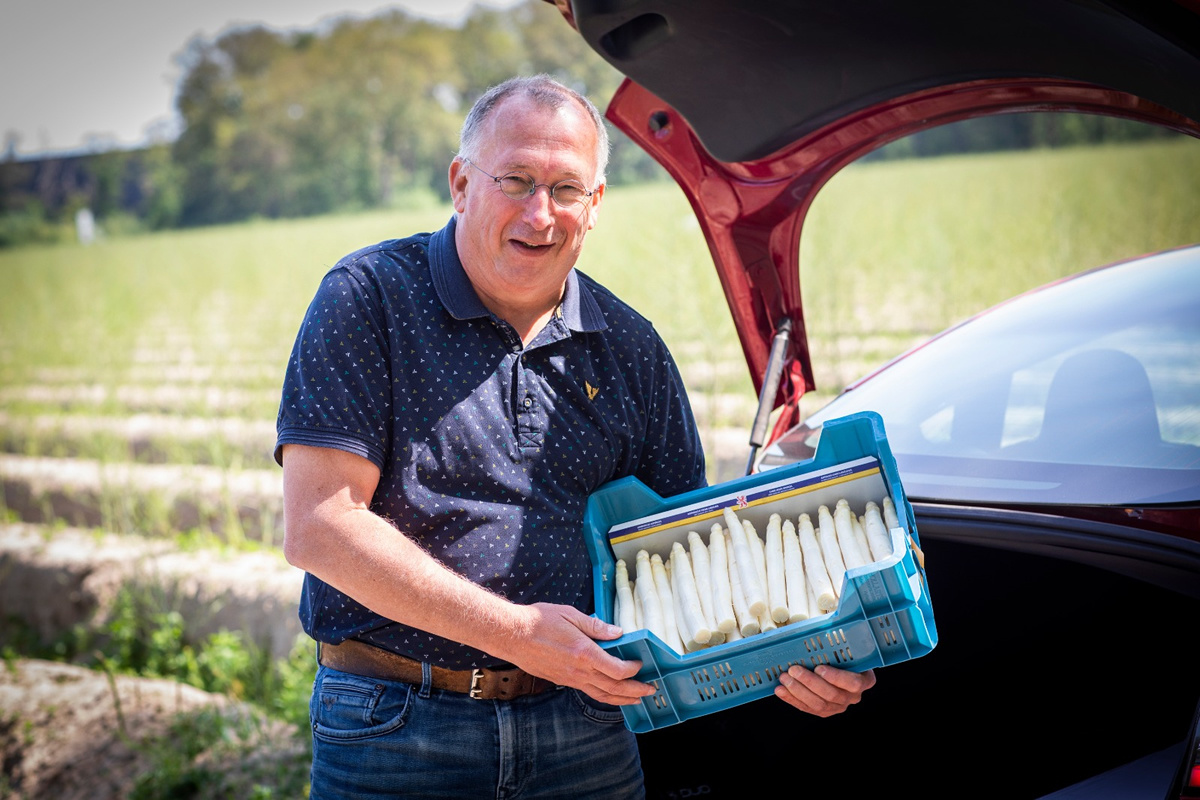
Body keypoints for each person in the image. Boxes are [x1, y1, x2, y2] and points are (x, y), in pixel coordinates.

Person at [276, 74, 874, 799]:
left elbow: (689, 557)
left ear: (595, 208)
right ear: (462, 183)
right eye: (517, 180)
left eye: (566, 190)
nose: (541, 213)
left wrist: (798, 655)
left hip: (586, 733)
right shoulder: (369, 298)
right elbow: (320, 526)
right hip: (397, 729)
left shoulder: (630, 348)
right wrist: (518, 633)